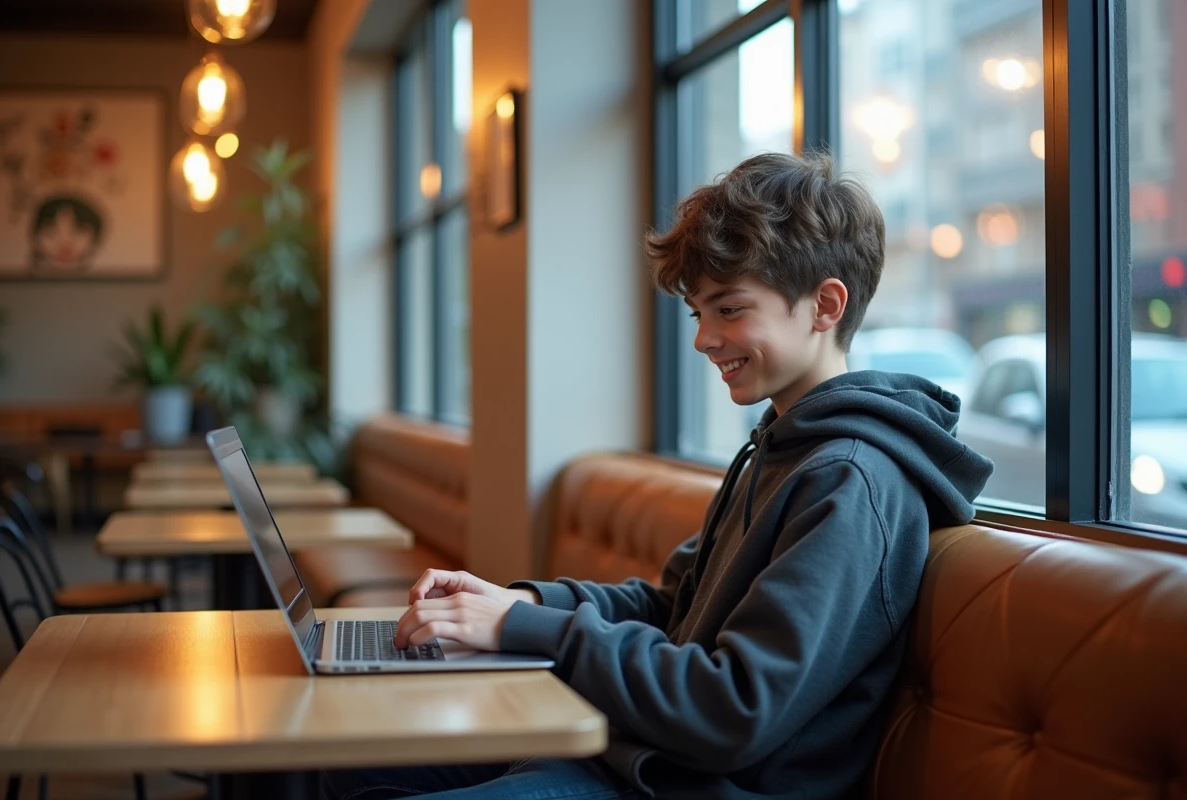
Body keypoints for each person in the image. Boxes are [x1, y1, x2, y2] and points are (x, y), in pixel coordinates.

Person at [322, 152, 994, 800]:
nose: (703, 339)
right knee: (351, 760)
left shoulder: (851, 481)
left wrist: (522, 632)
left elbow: (735, 708)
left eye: (729, 309)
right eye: (699, 313)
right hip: (640, 759)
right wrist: (520, 605)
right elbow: (670, 607)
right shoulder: (780, 445)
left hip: (687, 784)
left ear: (825, 305)